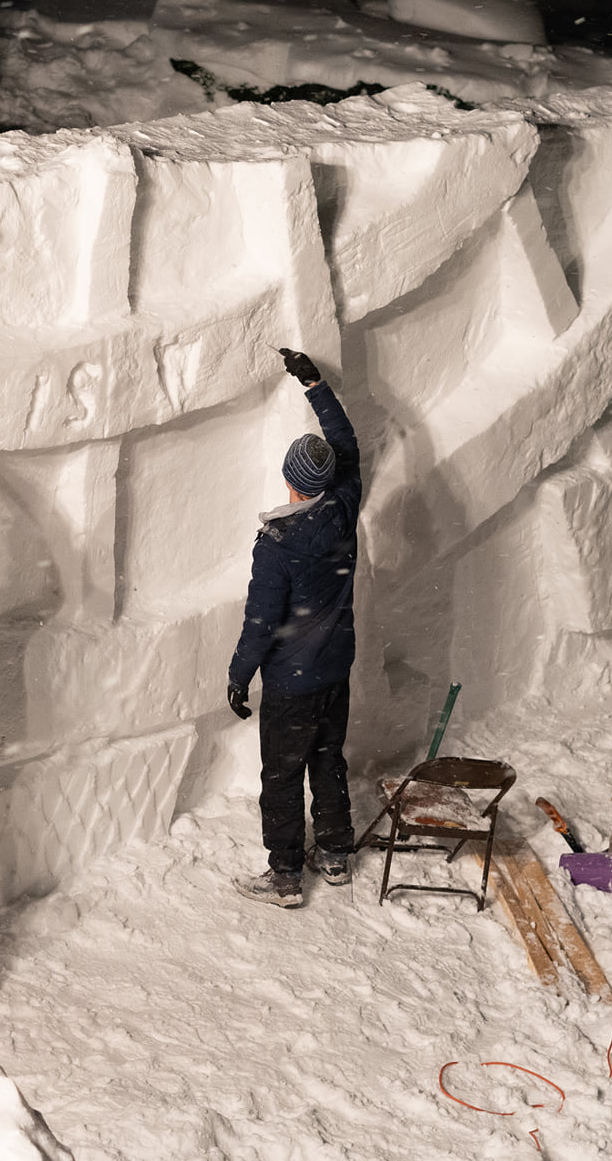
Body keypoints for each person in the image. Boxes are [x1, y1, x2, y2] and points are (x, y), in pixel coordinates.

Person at [228, 347, 363, 908]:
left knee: (282, 776)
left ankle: (284, 875)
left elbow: (261, 622)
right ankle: (333, 853)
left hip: (292, 681)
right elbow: (347, 446)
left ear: (289, 478)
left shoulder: (278, 546)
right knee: (328, 758)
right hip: (334, 670)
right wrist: (315, 384)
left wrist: (239, 676)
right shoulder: (344, 505)